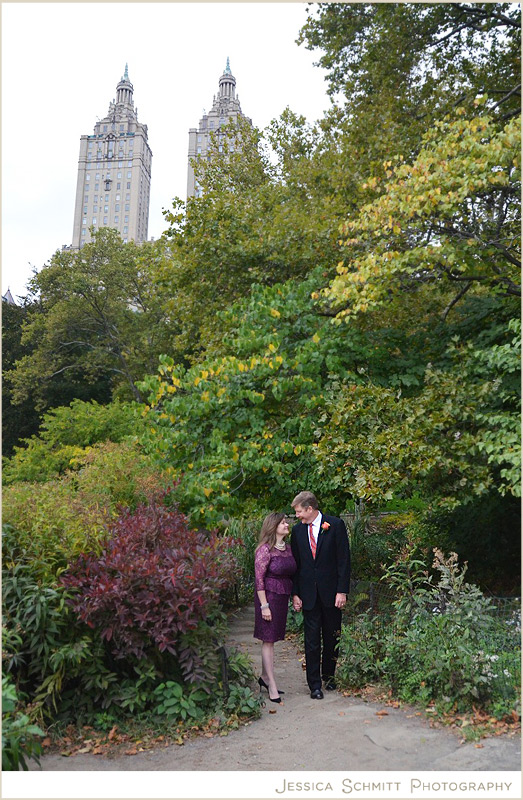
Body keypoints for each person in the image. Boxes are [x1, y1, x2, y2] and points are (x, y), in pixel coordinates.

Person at [290, 491, 351, 699]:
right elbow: (295, 565)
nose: (297, 516)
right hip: (308, 594)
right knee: (312, 640)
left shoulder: (335, 525)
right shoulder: (297, 532)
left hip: (332, 593)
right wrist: (295, 593)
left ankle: (329, 676)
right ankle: (314, 685)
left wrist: (342, 590)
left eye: (299, 512)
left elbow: (344, 560)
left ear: (310, 508)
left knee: (332, 635)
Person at [253, 512, 297, 703]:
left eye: (286, 522)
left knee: (273, 638)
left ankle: (264, 677)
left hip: (282, 596)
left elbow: (293, 574)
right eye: (283, 523)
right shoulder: (264, 550)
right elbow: (259, 579)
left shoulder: (287, 548)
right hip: (268, 597)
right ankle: (271, 684)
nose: (287, 525)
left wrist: (295, 595)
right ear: (273, 527)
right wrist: (264, 606)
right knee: (268, 640)